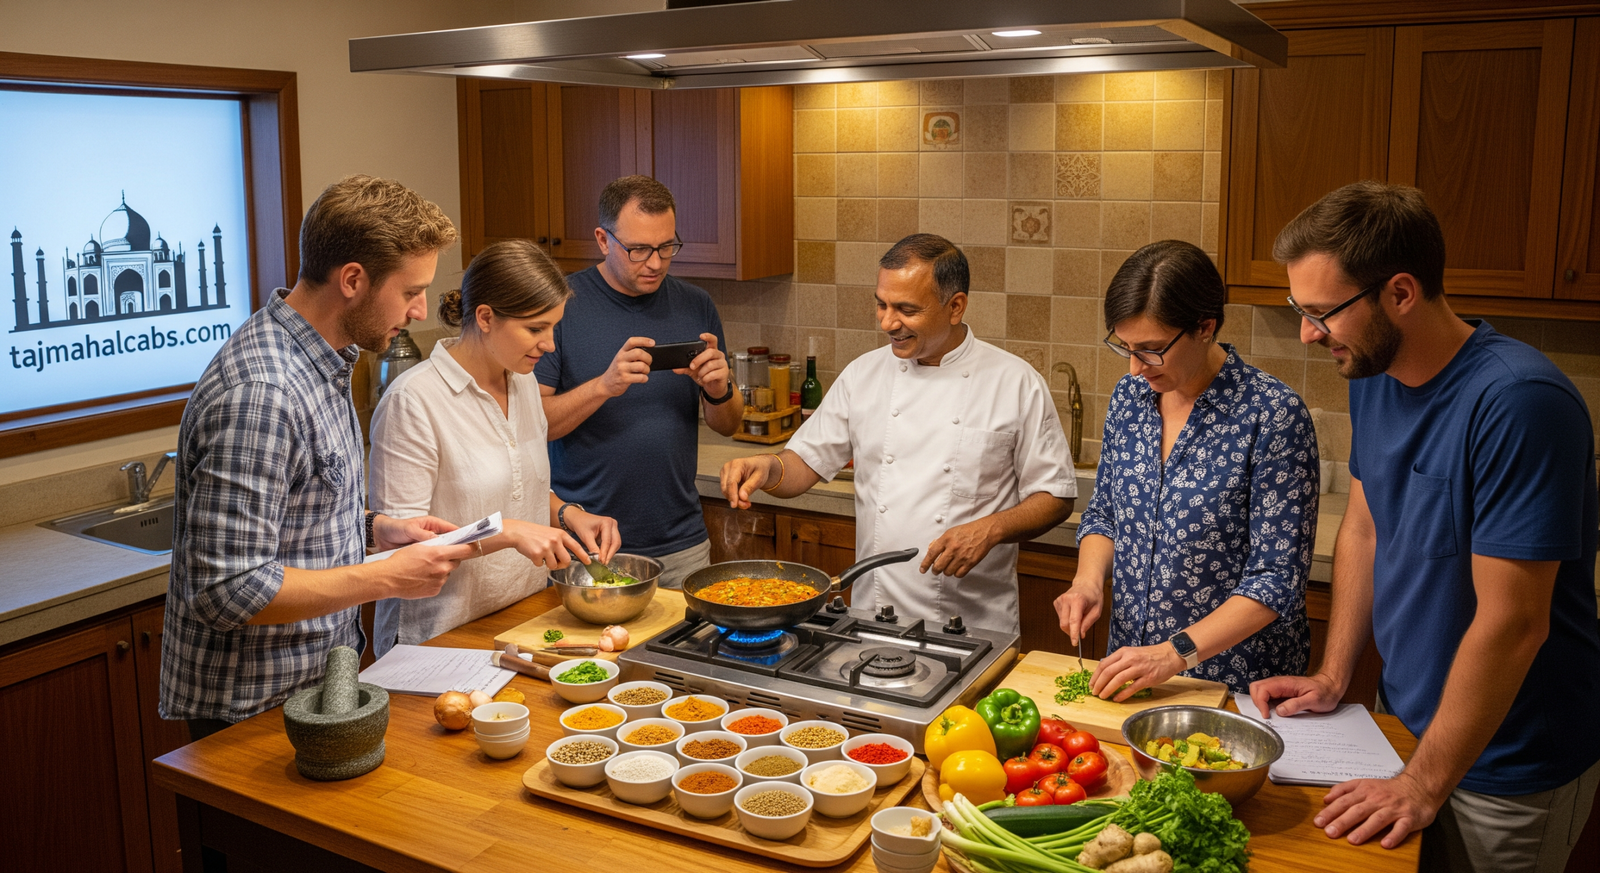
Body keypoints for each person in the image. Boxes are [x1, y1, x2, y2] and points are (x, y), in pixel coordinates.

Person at [1251, 181, 1600, 872]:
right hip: (1403, 727)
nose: (1306, 332)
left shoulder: (1520, 403)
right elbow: (1364, 527)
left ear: (1401, 293)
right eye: (1301, 309)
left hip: (1506, 762)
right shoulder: (1371, 373)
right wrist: (1334, 672)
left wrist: (1422, 781)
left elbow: (1514, 623)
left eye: (1322, 311)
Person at [161, 175, 477, 740]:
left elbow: (295, 521)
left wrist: (379, 529)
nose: (422, 309)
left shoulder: (323, 360)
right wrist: (386, 578)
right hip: (252, 707)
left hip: (312, 688)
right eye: (410, 292)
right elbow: (227, 589)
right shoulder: (264, 391)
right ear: (353, 280)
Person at [719, 234, 1075, 633]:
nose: (888, 323)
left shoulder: (1015, 383)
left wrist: (990, 530)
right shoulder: (863, 374)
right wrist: (766, 467)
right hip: (873, 616)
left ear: (955, 306)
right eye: (882, 304)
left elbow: (1056, 496)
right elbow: (804, 463)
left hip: (973, 622)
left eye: (907, 309)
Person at [1054, 240, 1318, 698]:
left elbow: (1276, 580)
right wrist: (1087, 582)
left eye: (1152, 349)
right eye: (1126, 348)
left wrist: (1173, 653)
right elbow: (1106, 514)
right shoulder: (1129, 399)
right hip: (1134, 671)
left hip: (1234, 683)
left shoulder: (1272, 415)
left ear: (1204, 327)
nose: (1136, 368)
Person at [367, 240, 622, 658]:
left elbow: (519, 488)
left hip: (521, 620)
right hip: (438, 636)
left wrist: (568, 512)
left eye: (553, 328)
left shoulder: (522, 383)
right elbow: (404, 550)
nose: (549, 345)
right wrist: (506, 533)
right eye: (536, 328)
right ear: (485, 317)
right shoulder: (414, 401)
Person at [535, 175, 742, 588]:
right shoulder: (561, 306)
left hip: (683, 544)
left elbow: (728, 424)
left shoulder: (696, 304)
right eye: (639, 249)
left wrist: (720, 390)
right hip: (587, 545)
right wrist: (604, 386)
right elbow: (534, 426)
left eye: (667, 247)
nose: (655, 262)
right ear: (603, 239)